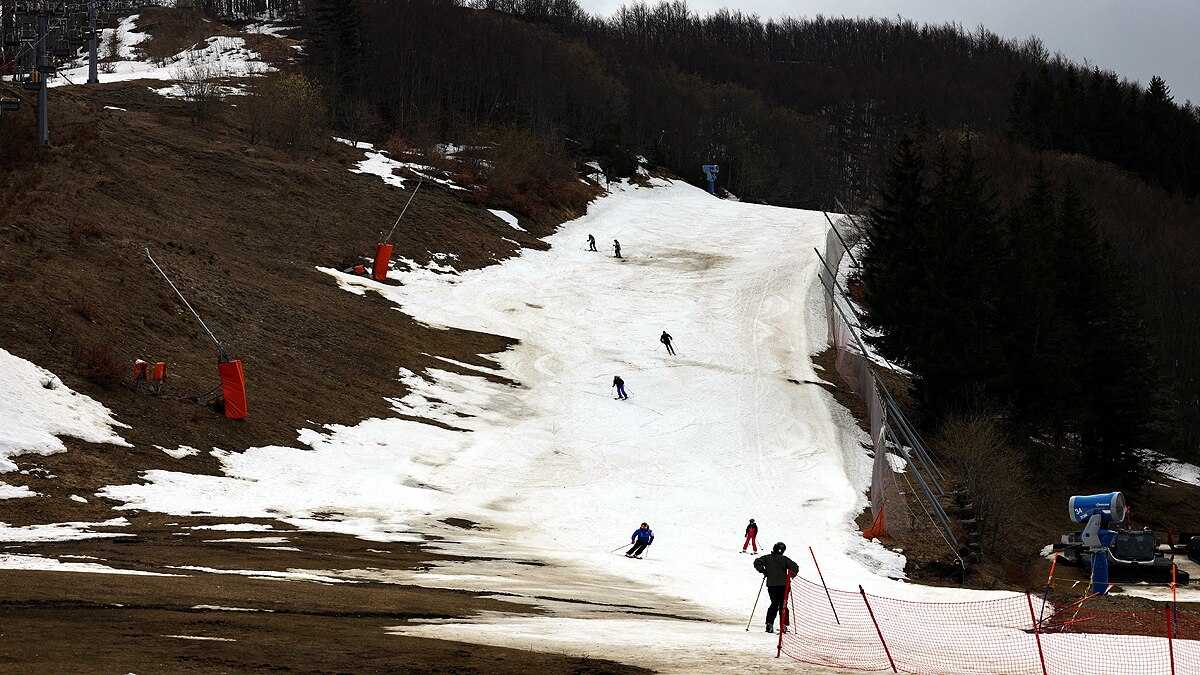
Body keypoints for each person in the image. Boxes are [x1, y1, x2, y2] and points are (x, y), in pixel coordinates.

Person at [754, 542, 799, 633]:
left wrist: (764, 571)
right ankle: (783, 625)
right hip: (784, 586)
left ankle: (769, 624)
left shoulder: (767, 558)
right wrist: (791, 575)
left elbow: (757, 562)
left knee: (774, 604)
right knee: (783, 605)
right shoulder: (784, 559)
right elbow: (794, 566)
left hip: (772, 585)